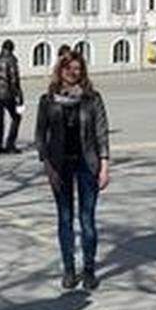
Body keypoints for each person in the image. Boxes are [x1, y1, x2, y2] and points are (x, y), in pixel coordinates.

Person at [35, 50, 110, 291]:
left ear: (83, 71)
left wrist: (105, 166)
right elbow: (40, 136)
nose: (73, 73)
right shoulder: (47, 100)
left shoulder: (93, 99)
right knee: (65, 219)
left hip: (87, 164)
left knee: (87, 219)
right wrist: (48, 167)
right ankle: (69, 269)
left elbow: (101, 132)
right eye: (68, 68)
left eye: (77, 69)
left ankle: (88, 269)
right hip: (60, 166)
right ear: (60, 70)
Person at [0, 39, 24, 154]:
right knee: (17, 117)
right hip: (8, 95)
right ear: (12, 49)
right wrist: (19, 94)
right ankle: (10, 144)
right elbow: (14, 79)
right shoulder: (11, 60)